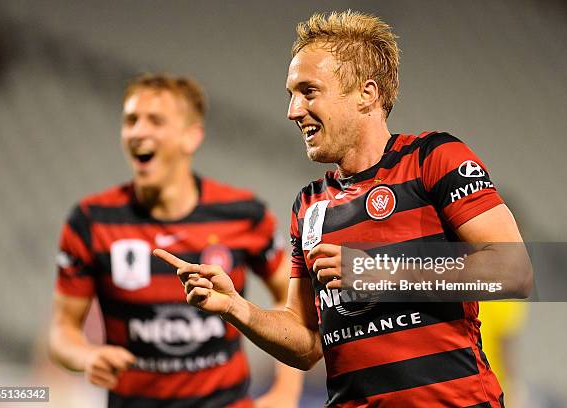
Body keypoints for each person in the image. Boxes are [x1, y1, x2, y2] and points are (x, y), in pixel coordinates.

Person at [156, 10, 533, 407]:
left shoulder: (433, 159)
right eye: (291, 94)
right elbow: (307, 344)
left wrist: (377, 271)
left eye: (309, 91)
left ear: (366, 94)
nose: (293, 110)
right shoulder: (309, 205)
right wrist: (236, 307)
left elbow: (514, 271)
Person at [48, 73, 303, 408]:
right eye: (130, 120)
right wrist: (85, 357)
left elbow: (294, 305)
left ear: (191, 137)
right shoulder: (91, 221)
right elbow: (62, 330)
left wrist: (285, 395)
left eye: (155, 120)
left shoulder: (243, 215)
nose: (138, 132)